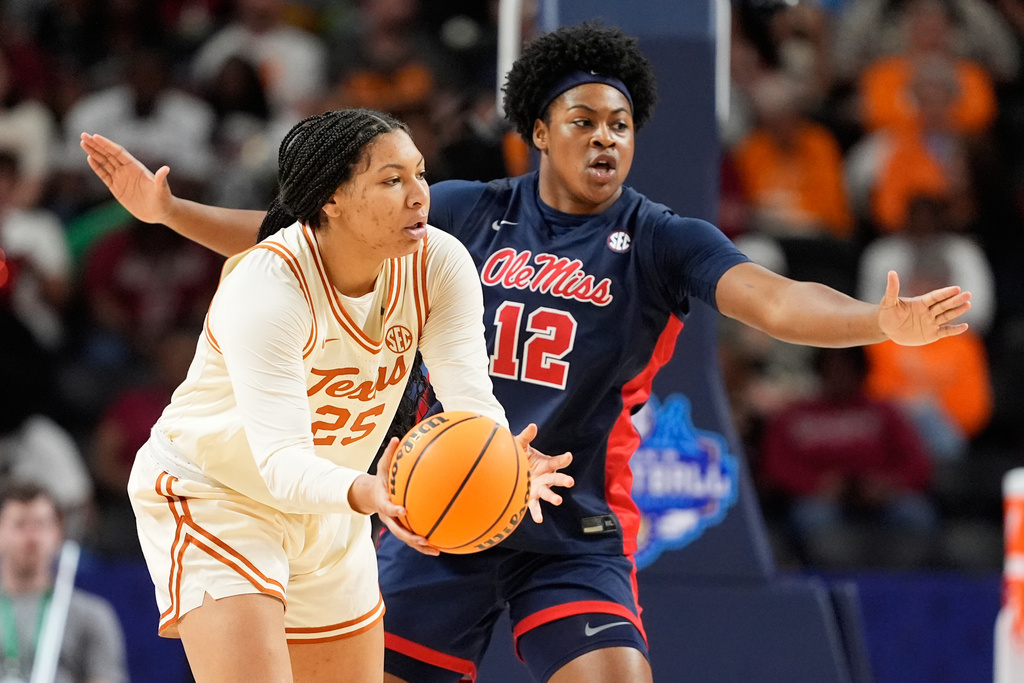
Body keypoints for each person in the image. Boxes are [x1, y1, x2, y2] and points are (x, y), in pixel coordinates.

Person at [80, 23, 973, 683]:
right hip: (432, 506)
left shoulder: (660, 238)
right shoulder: (463, 211)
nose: (604, 138)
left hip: (565, 517)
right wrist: (172, 214)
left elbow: (774, 300)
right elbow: (296, 231)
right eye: (582, 119)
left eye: (620, 125)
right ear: (538, 130)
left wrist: (873, 321)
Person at [82, 108, 572, 683]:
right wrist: (372, 491)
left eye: (419, 174)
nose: (420, 195)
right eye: (392, 181)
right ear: (332, 199)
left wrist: (502, 460)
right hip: (220, 497)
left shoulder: (440, 262)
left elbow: (470, 400)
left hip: (334, 507)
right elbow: (281, 464)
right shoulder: (267, 288)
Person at [0, 482, 128, 683]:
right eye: (20, 524)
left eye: (41, 524)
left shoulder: (92, 615)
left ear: (58, 533)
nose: (32, 538)